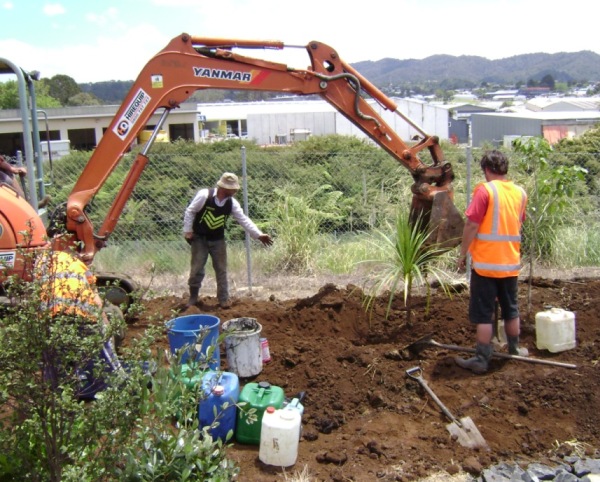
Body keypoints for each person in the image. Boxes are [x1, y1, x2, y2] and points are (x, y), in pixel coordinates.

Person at [455, 150, 528, 374]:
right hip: (510, 264)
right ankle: (515, 349)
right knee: (511, 310)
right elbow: (518, 224)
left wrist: (462, 253)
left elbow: (472, 225)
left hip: (486, 265)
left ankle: (481, 358)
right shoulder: (520, 193)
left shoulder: (485, 191)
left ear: (486, 170)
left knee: (484, 314)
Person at [35, 247, 123, 398]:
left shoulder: (41, 262)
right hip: (84, 314)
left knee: (56, 360)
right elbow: (97, 302)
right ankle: (116, 391)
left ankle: (59, 396)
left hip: (52, 316)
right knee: (105, 364)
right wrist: (107, 330)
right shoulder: (79, 264)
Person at [183, 172, 273, 309]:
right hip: (199, 238)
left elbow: (243, 219)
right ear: (224, 188)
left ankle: (223, 300)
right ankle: (193, 298)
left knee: (221, 270)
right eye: (233, 189)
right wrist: (188, 231)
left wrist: (258, 235)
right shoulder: (204, 195)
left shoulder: (232, 203)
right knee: (197, 269)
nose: (236, 191)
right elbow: (190, 211)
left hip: (218, 239)